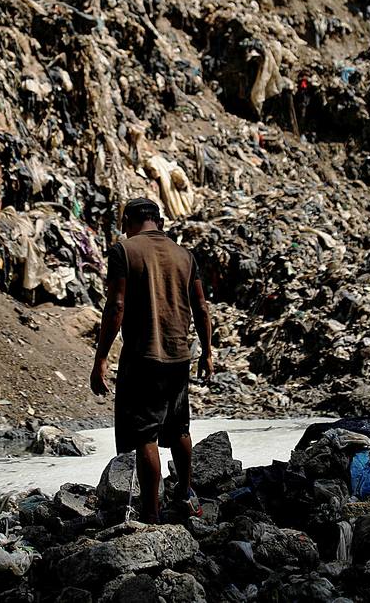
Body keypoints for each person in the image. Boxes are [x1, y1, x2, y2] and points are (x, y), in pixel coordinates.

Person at [90, 197, 213, 523]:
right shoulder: (185, 255)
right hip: (179, 356)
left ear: (127, 222)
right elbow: (201, 308)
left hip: (143, 356)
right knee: (180, 428)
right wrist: (207, 352)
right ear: (159, 221)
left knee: (146, 435)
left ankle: (151, 513)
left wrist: (101, 357)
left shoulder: (124, 251)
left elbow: (116, 306)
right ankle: (185, 495)